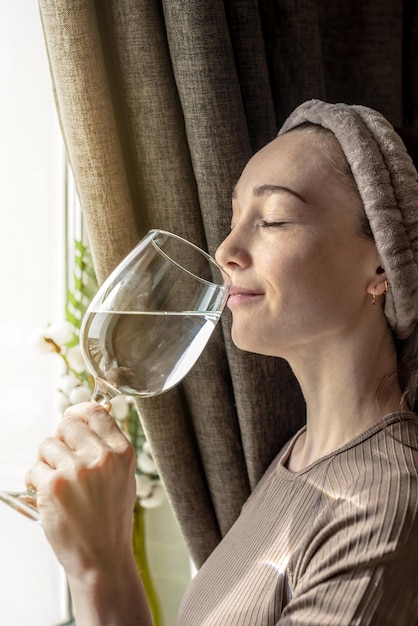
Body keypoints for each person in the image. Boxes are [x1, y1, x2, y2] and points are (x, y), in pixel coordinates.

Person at [27, 100, 418, 625]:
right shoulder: (298, 458)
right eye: (234, 218)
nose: (227, 249)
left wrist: (100, 568)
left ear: (382, 261)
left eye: (273, 219)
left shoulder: (383, 507)